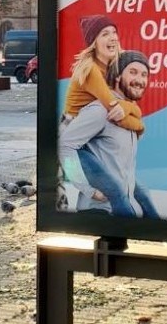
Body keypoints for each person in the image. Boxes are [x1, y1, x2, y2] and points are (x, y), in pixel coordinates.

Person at [58, 50, 159, 218]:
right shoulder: (100, 110)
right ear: (118, 76)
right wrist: (87, 189)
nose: (140, 80)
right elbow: (64, 146)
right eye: (133, 72)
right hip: (97, 213)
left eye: (144, 75)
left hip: (119, 214)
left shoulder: (128, 115)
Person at [63, 15, 143, 134]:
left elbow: (134, 108)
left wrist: (127, 107)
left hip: (95, 126)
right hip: (74, 129)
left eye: (114, 32)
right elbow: (117, 115)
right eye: (105, 34)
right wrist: (140, 126)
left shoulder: (116, 66)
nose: (113, 38)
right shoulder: (90, 69)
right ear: (94, 43)